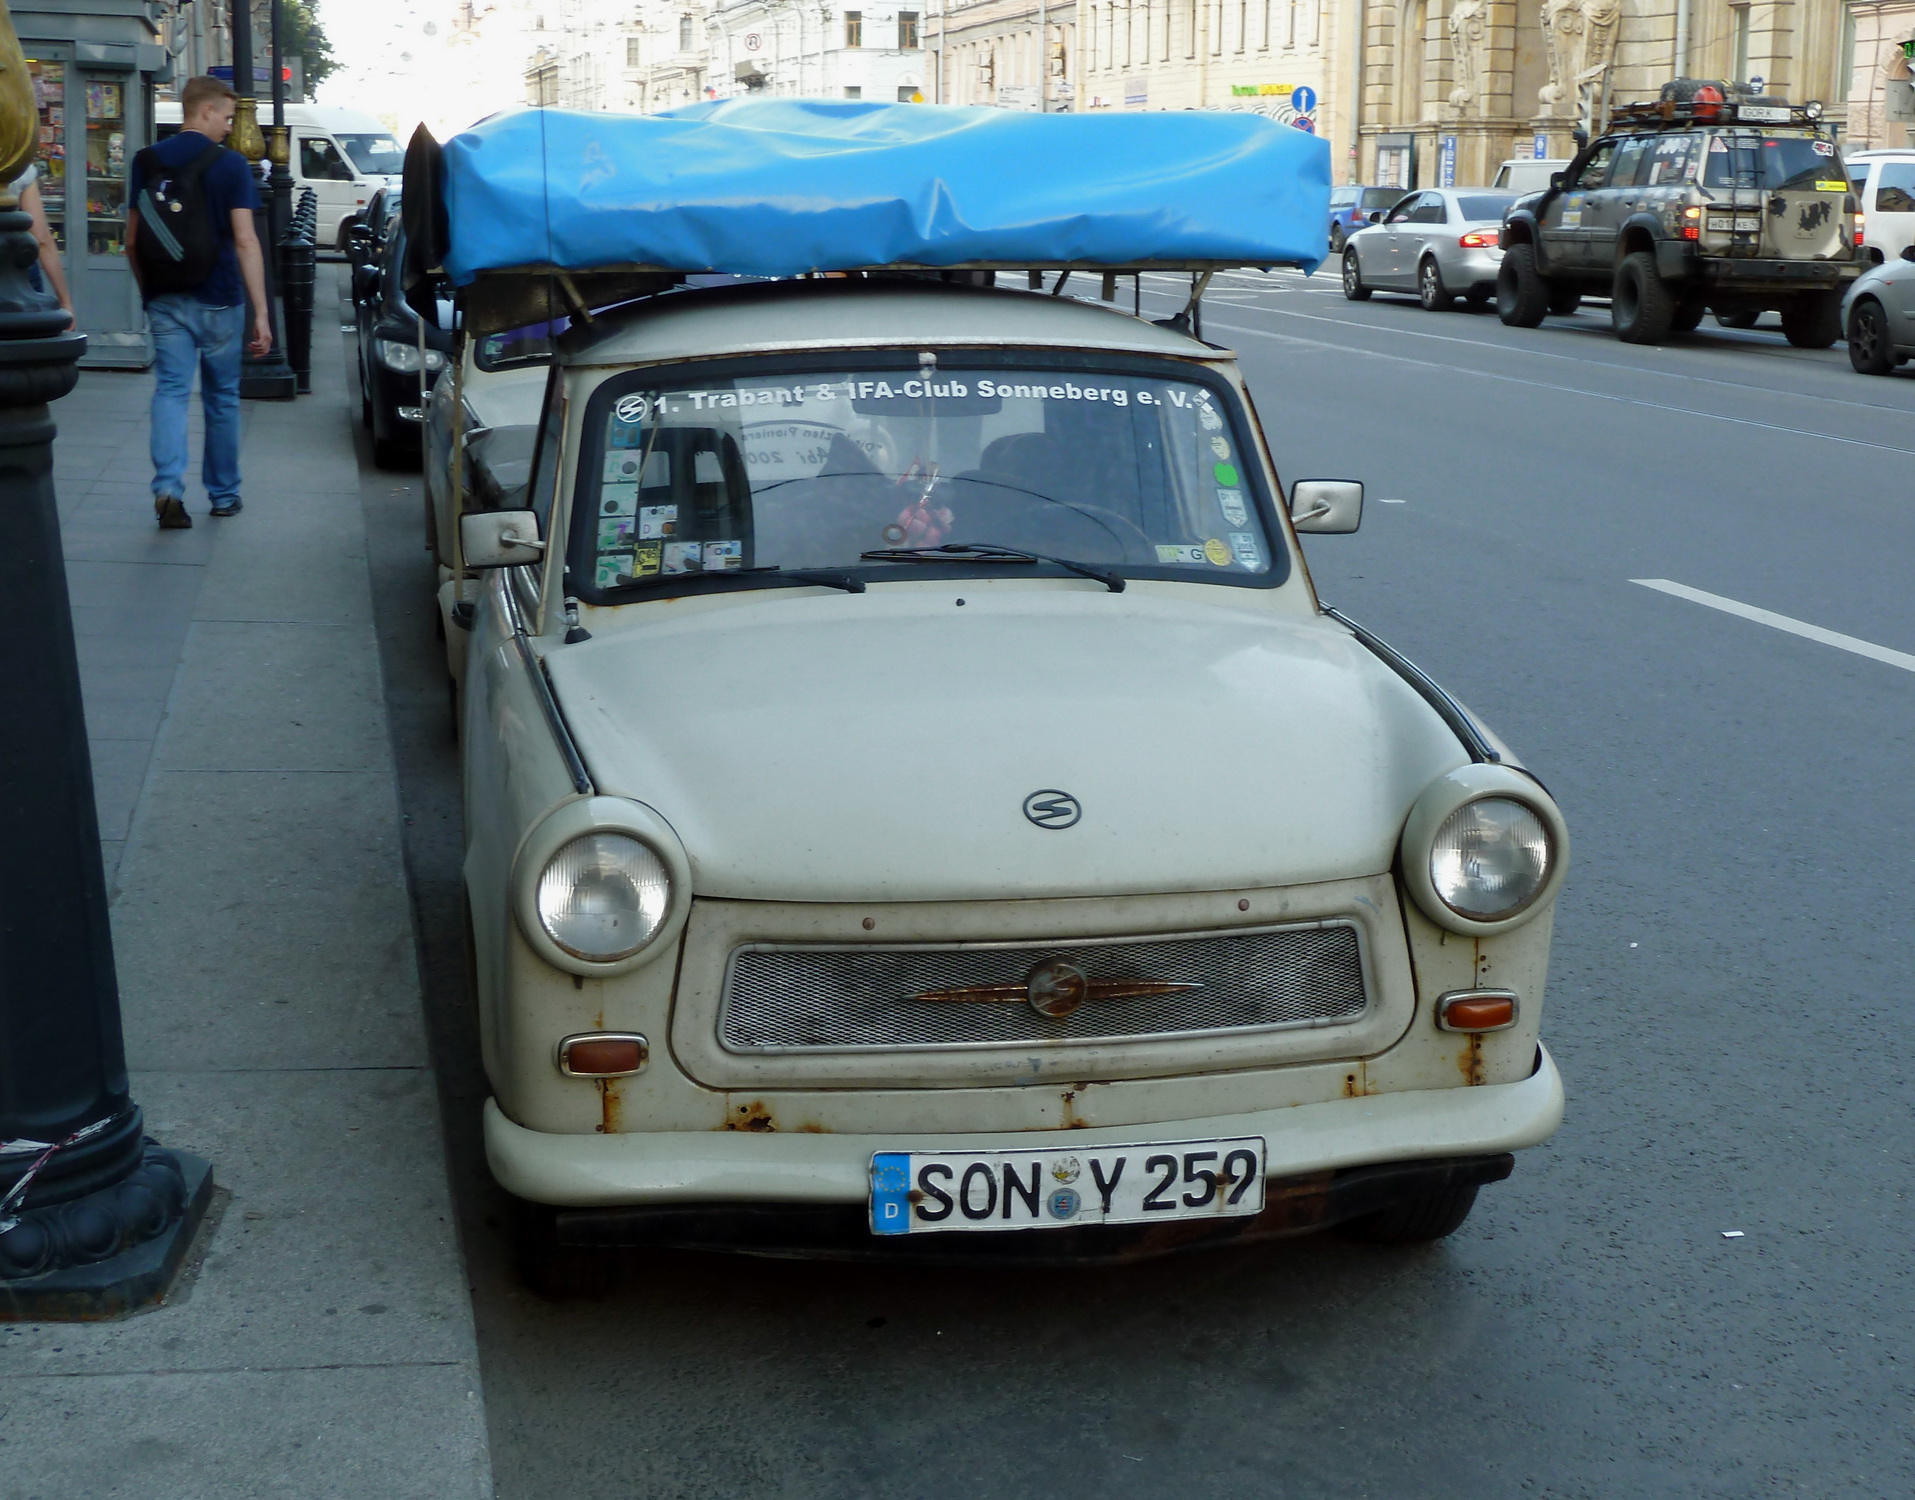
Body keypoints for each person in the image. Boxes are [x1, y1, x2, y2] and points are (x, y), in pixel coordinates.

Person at [125, 75, 271, 530]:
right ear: (205, 111)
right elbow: (246, 241)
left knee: (170, 390)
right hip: (220, 298)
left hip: (165, 297)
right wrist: (262, 312)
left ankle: (168, 487)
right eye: (226, 117)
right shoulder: (231, 166)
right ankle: (224, 495)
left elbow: (131, 240)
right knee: (222, 398)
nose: (229, 127)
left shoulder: (146, 160)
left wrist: (149, 291)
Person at [12, 165, 74, 327]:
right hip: (16, 269)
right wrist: (65, 301)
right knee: (26, 334)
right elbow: (41, 238)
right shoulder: (19, 165)